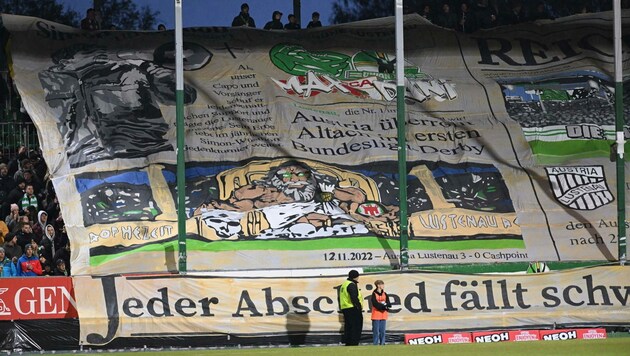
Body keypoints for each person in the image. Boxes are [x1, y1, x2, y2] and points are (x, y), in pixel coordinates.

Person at [339, 269, 364, 346]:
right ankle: (354, 342)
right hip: (352, 308)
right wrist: (358, 307)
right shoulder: (351, 285)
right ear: (356, 277)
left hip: (345, 307)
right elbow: (354, 297)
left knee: (348, 326)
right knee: (356, 326)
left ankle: (348, 342)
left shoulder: (344, 284)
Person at [370, 279, 391, 345]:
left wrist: (386, 306)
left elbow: (389, 303)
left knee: (382, 331)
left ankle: (382, 343)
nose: (383, 286)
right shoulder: (374, 294)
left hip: (383, 315)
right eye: (382, 284)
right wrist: (383, 307)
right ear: (378, 285)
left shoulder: (385, 294)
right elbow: (375, 304)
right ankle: (375, 344)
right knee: (376, 331)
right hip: (376, 315)